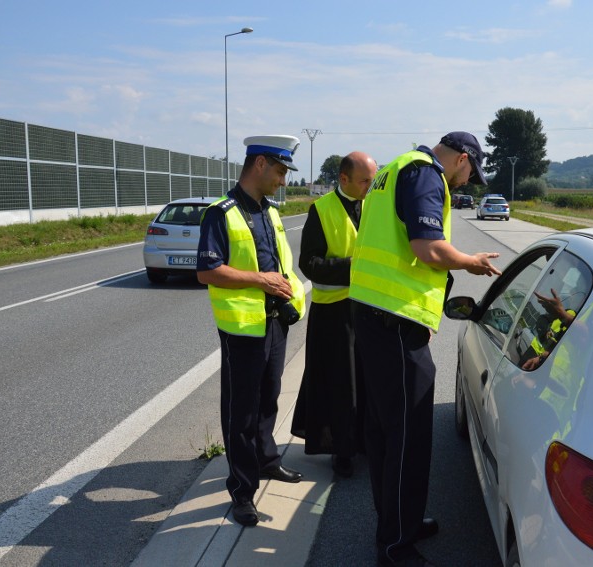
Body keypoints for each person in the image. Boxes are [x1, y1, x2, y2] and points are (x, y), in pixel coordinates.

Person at [349, 132, 501, 567]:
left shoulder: (394, 170)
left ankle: (399, 522)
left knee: (383, 432)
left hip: (378, 314)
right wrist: (471, 262)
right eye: (471, 172)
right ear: (463, 159)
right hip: (392, 321)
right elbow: (427, 248)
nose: (467, 182)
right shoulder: (425, 174)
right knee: (407, 436)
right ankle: (396, 546)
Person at [196, 134, 307, 528]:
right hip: (243, 329)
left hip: (275, 322)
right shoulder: (220, 213)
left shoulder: (271, 212)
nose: (283, 180)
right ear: (259, 164)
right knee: (241, 413)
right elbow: (208, 270)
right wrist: (260, 281)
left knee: (268, 400)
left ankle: (266, 461)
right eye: (279, 171)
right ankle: (242, 491)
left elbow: (283, 266)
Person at [291, 151, 378, 478]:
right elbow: (309, 264)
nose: (371, 186)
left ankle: (365, 442)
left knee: (368, 381)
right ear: (344, 179)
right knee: (341, 385)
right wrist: (353, 269)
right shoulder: (322, 209)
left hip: (369, 308)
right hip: (334, 315)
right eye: (365, 181)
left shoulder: (374, 205)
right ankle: (342, 450)